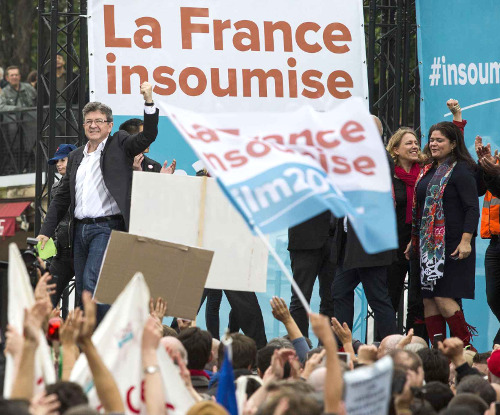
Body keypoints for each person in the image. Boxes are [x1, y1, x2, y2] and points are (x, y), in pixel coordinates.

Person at [37, 82, 159, 312]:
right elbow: (61, 199)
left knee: (93, 286)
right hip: (79, 231)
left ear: (109, 125)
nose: (93, 126)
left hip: (106, 228)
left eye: (99, 121)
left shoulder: (119, 143)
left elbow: (148, 135)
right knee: (84, 289)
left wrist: (149, 101)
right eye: (89, 121)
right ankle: (87, 339)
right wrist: (45, 231)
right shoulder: (75, 157)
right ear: (83, 125)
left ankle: (98, 339)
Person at [407, 120, 481, 350]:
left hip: (452, 245)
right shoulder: (428, 169)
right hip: (428, 247)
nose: (434, 144)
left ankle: (466, 351)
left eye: (440, 140)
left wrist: (466, 240)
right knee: (429, 300)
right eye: (431, 140)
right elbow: (423, 211)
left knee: (443, 297)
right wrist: (414, 240)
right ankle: (440, 353)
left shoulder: (461, 169)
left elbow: (471, 207)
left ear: (452, 143)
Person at [386, 127, 426, 338]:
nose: (414, 146)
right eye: (408, 143)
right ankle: (387, 344)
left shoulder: (426, 172)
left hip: (420, 241)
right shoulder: (389, 177)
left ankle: (415, 343)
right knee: (389, 297)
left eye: (415, 142)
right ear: (395, 149)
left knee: (418, 300)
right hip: (394, 244)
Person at [287, 211, 336, 337]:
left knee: (331, 299)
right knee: (301, 298)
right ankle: (300, 348)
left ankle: (327, 348)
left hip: (334, 236)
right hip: (304, 238)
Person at [47, 144, 77, 310]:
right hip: (62, 251)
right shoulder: (55, 188)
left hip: (83, 250)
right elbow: (55, 219)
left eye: (63, 160)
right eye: (57, 161)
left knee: (87, 301)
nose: (59, 164)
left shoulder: (86, 183)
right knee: (47, 296)